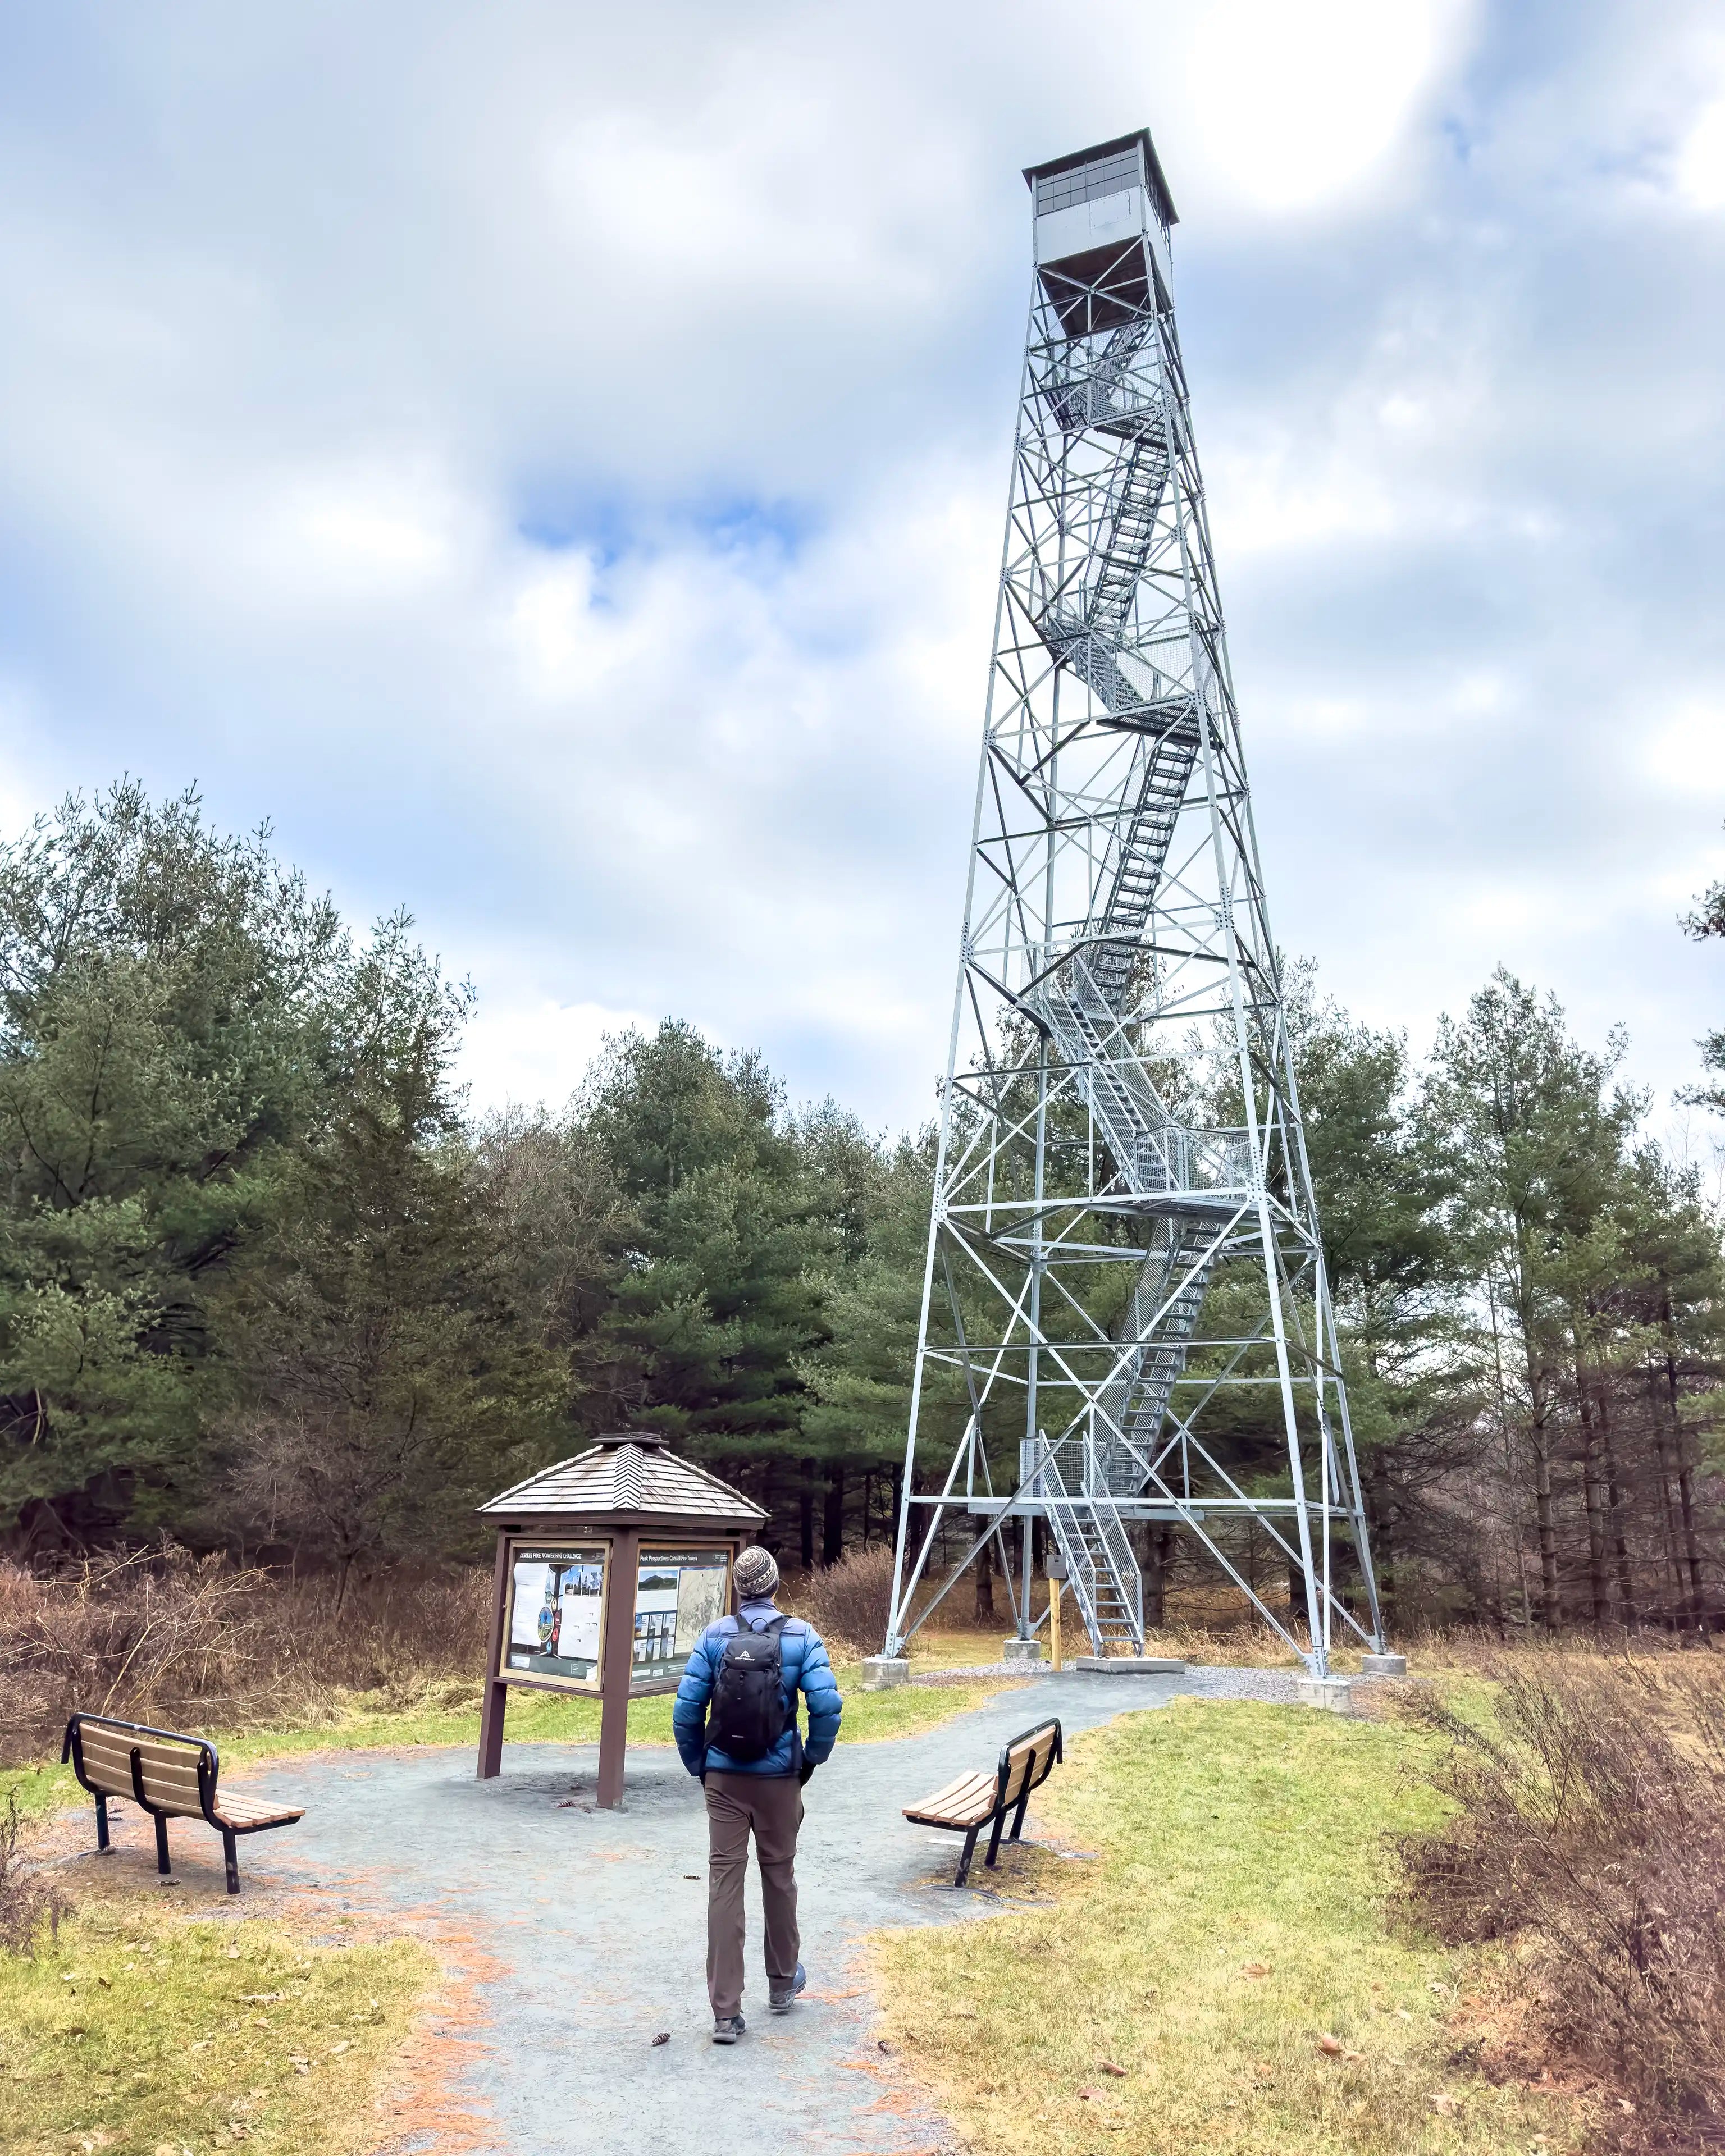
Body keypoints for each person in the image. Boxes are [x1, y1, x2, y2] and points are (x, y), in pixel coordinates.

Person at [673, 1545, 843, 2044]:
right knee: (780, 1875)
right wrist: (810, 1758)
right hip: (779, 1778)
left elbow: (686, 1713)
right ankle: (782, 1983)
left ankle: (725, 2012)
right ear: (774, 1585)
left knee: (724, 1883)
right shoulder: (802, 1636)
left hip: (725, 1778)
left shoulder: (714, 1636)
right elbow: (827, 1706)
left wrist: (700, 1768)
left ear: (738, 1588)